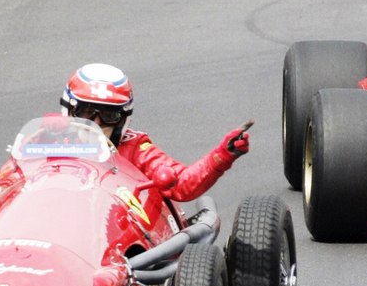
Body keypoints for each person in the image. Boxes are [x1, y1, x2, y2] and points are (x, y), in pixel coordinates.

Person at [60, 63, 249, 201]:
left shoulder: (136, 148)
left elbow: (181, 183)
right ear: (69, 111)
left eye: (109, 115)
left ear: (122, 119)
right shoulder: (47, 144)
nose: (96, 123)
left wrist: (222, 156)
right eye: (86, 112)